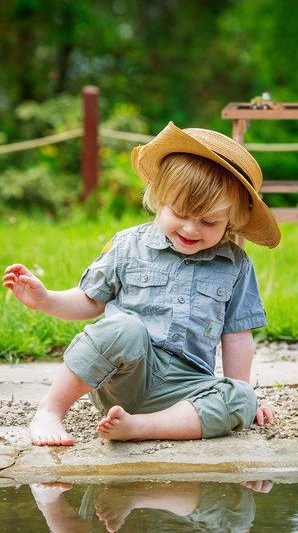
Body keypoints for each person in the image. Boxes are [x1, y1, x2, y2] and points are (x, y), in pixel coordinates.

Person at [3, 122, 281, 446]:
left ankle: (137, 427)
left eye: (208, 221)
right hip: (123, 377)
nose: (191, 229)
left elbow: (236, 338)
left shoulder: (235, 266)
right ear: (159, 198)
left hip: (185, 388)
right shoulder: (128, 246)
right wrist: (45, 299)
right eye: (180, 213)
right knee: (125, 328)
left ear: (231, 221)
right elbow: (90, 301)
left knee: (242, 399)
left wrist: (240, 390)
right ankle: (50, 410)